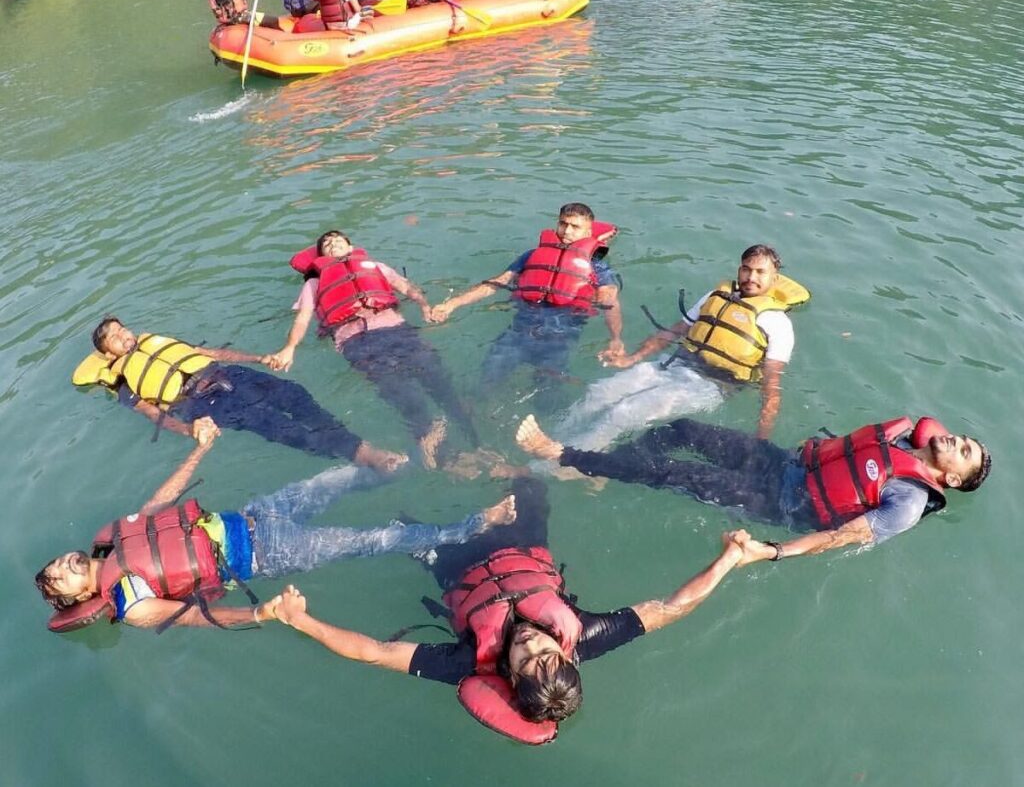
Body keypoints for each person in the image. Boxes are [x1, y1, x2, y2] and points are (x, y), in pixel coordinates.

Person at [265, 476, 756, 744]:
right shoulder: (586, 634)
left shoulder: (468, 661)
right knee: (530, 482)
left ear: (510, 677)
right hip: (523, 547)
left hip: (456, 565)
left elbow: (374, 651)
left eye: (526, 660)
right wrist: (729, 559)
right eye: (546, 652)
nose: (530, 643)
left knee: (396, 526)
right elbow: (672, 607)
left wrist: (299, 619)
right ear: (566, 656)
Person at [36, 425, 515, 633]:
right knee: (374, 539)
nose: (62, 565)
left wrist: (200, 450)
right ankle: (474, 525)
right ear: (79, 598)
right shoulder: (130, 602)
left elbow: (160, 503)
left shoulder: (113, 539)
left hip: (256, 512)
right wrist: (260, 614)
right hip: (269, 552)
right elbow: (196, 617)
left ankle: (421, 460)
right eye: (59, 578)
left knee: (346, 476)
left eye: (56, 562)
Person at [516, 413, 992, 556]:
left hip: (779, 502)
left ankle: (566, 456)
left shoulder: (908, 501)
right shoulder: (905, 439)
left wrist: (773, 551)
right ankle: (607, 469)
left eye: (965, 450)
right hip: (785, 464)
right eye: (965, 438)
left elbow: (839, 537)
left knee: (673, 472)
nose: (957, 439)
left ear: (951, 479)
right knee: (684, 430)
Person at [73, 316, 405, 473]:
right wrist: (189, 429)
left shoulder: (155, 341)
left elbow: (209, 352)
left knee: (293, 394)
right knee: (273, 424)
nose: (123, 335)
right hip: (199, 401)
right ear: (108, 353)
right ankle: (362, 455)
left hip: (227, 374)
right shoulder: (123, 381)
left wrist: (259, 358)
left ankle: (355, 446)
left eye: (122, 328)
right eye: (114, 337)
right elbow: (151, 412)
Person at [268, 231, 477, 469]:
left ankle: (471, 433)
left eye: (338, 240)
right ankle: (443, 454)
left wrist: (424, 306)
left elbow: (406, 287)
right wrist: (289, 348)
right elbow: (303, 318)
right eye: (327, 244)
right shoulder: (314, 283)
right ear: (321, 255)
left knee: (438, 378)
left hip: (396, 329)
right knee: (404, 395)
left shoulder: (376, 267)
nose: (333, 244)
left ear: (351, 247)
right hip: (356, 341)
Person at [599, 244, 808, 440]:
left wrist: (761, 438)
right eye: (746, 269)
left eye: (760, 272)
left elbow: (772, 384)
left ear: (774, 278)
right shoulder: (715, 296)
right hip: (677, 364)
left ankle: (583, 457)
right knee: (600, 393)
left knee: (624, 412)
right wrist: (632, 358)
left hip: (714, 385)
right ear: (739, 270)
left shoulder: (778, 323)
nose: (751, 277)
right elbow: (675, 331)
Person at [428, 203, 623, 393]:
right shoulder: (532, 255)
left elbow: (610, 300)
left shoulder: (596, 267)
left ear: (588, 232)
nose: (567, 231)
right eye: (563, 224)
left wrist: (615, 338)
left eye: (575, 226)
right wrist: (453, 304)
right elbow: (498, 282)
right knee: (486, 384)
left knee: (546, 396)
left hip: (558, 340)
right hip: (519, 332)